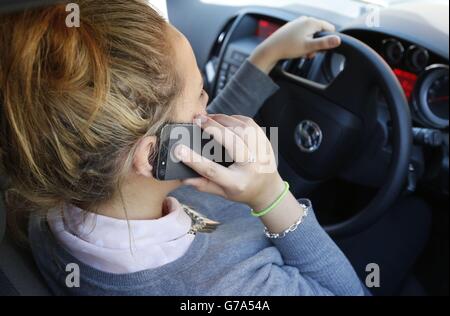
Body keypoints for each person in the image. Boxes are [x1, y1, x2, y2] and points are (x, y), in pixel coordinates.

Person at [0, 0, 365, 295]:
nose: (208, 108)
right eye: (200, 97)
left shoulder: (51, 190)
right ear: (149, 156)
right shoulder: (226, 286)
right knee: (414, 216)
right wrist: (272, 196)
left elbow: (178, 130)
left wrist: (265, 57)